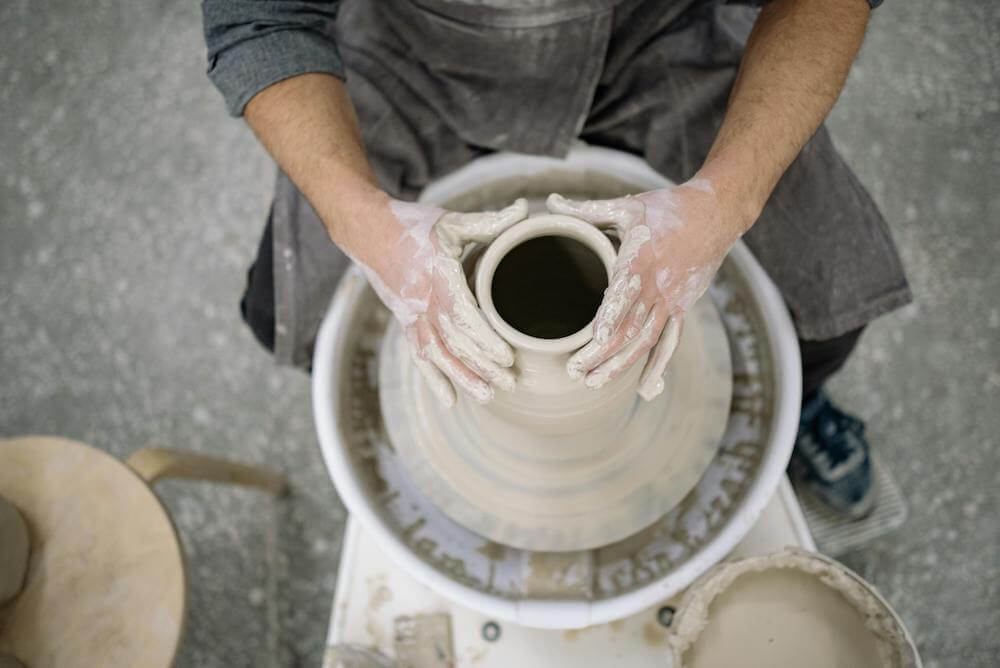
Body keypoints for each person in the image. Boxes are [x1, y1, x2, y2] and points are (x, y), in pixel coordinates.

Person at [201, 0, 910, 519]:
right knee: (290, 313)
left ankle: (801, 407)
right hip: (409, 52)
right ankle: (415, 432)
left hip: (656, 35)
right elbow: (259, 21)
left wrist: (725, 202)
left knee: (826, 289)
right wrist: (368, 227)